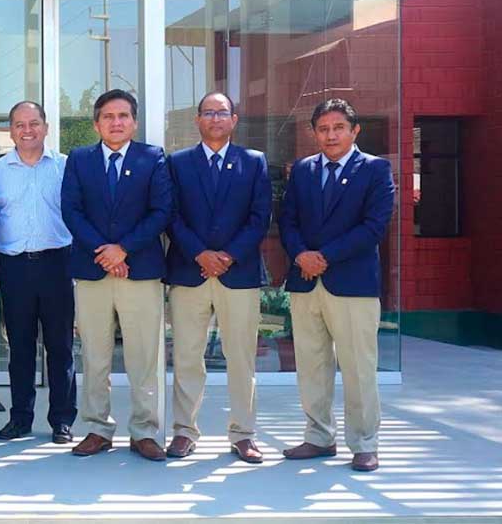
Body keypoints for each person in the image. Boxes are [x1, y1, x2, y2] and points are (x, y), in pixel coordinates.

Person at [279, 98, 395, 473]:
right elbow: (287, 220)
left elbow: (374, 227)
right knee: (311, 365)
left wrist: (324, 256)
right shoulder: (303, 170)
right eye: (324, 129)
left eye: (338, 128)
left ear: (354, 130)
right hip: (305, 282)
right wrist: (301, 255)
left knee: (358, 367)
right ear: (315, 133)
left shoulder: (375, 169)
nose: (331, 135)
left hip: (352, 284)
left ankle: (364, 443)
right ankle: (318, 437)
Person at [61, 89, 173, 461]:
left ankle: (144, 432)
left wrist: (123, 249)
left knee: (143, 356)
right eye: (108, 116)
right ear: (96, 124)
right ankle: (97, 428)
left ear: (134, 122)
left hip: (139, 271)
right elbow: (71, 211)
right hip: (92, 271)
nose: (116, 122)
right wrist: (105, 252)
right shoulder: (79, 159)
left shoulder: (152, 158)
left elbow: (161, 211)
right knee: (95, 355)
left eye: (123, 115)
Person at [164, 92, 271, 463]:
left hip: (237, 273)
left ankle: (243, 434)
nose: (215, 119)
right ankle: (184, 431)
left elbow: (260, 217)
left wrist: (227, 256)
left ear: (234, 120)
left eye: (221, 113)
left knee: (241, 358)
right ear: (197, 120)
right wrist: (200, 253)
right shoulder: (177, 163)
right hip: (189, 271)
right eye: (208, 113)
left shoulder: (253, 161)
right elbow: (171, 215)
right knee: (187, 357)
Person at [0, 101, 76, 444]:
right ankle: (20, 418)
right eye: (20, 125)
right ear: (11, 130)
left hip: (57, 263)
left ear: (46, 127)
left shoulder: (65, 167)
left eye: (34, 123)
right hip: (15, 267)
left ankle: (62, 419)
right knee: (20, 347)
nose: (27, 130)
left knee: (60, 347)